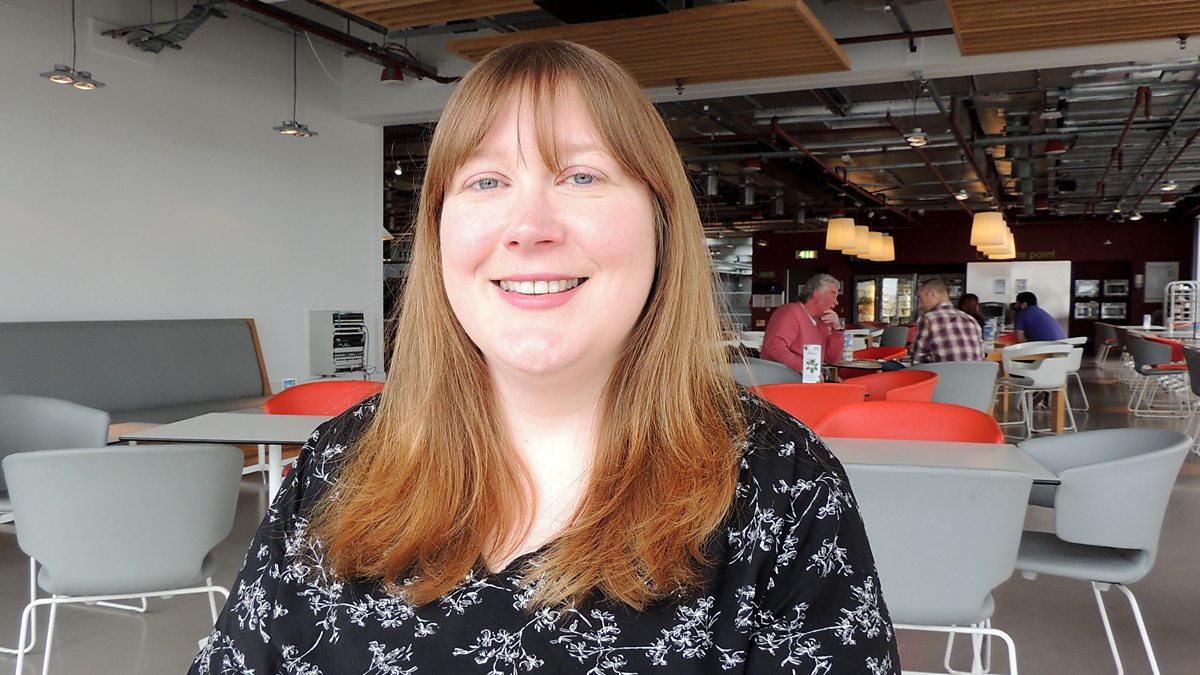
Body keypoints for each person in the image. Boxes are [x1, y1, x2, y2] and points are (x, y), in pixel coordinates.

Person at [190, 41, 899, 674]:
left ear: (661, 222)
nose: (528, 228)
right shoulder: (340, 465)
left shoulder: (783, 487)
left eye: (581, 176)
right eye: (486, 181)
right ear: (438, 232)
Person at [760, 273, 846, 369]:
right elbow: (774, 346)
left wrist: (837, 329)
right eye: (833, 296)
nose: (836, 302)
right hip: (782, 375)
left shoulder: (822, 323)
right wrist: (804, 368)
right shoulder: (790, 312)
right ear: (816, 293)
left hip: (808, 376)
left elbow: (832, 361)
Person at [910, 277, 985, 363]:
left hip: (941, 371)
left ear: (932, 293)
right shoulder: (971, 320)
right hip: (974, 371)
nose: (919, 306)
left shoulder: (928, 319)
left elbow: (917, 360)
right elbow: (981, 357)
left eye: (921, 299)